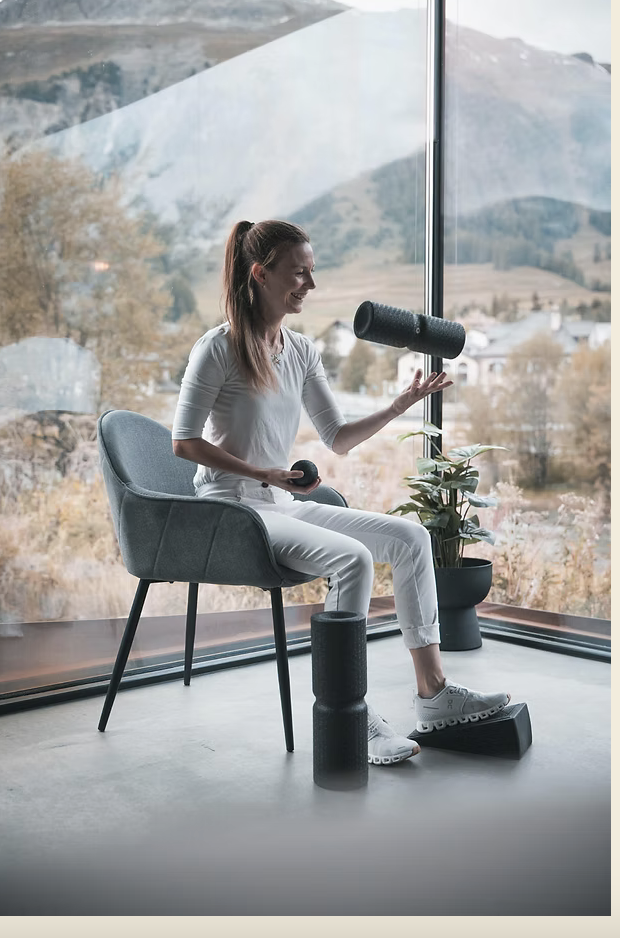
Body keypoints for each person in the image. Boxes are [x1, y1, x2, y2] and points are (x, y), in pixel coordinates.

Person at [172, 219, 510, 766]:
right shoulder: (216, 349)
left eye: (312, 271)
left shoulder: (301, 350)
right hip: (230, 509)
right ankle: (351, 714)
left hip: (276, 502)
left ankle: (435, 693)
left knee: (409, 537)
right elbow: (183, 443)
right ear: (260, 274)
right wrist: (264, 471)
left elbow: (338, 437)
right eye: (299, 272)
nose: (310, 283)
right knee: (354, 559)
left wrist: (400, 405)